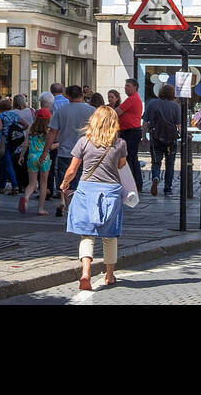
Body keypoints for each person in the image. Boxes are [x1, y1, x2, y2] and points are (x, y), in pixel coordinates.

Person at [61, 105, 130, 291]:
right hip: (111, 191)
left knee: (87, 234)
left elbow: (72, 170)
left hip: (86, 190)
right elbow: (122, 165)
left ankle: (85, 272)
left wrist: (65, 184)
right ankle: (109, 274)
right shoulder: (120, 144)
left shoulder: (84, 142)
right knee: (110, 236)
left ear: (94, 120)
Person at [47, 85, 93, 216]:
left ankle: (69, 207)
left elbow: (52, 132)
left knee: (65, 182)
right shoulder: (91, 110)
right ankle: (80, 207)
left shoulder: (61, 110)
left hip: (65, 152)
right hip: (86, 152)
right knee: (83, 181)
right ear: (82, 95)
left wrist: (46, 151)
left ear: (67, 96)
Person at [144, 83, 180, 196]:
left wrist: (144, 136)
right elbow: (179, 125)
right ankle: (168, 189)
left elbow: (145, 122)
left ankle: (155, 177)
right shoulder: (176, 106)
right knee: (170, 164)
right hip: (171, 139)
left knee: (156, 162)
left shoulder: (152, 103)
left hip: (155, 138)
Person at [19, 108, 53, 213]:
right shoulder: (48, 131)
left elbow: (25, 144)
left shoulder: (31, 128)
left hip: (32, 157)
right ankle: (40, 209)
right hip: (44, 157)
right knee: (43, 183)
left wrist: (21, 156)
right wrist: (60, 144)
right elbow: (50, 146)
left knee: (32, 184)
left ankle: (26, 198)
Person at [116, 78, 144, 191]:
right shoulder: (133, 99)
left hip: (131, 132)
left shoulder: (132, 99)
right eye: (125, 85)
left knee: (129, 158)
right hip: (131, 131)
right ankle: (136, 184)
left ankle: (134, 184)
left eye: (128, 86)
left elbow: (117, 112)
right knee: (132, 158)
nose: (125, 87)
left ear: (135, 87)